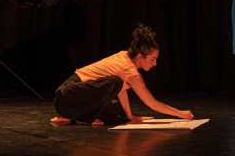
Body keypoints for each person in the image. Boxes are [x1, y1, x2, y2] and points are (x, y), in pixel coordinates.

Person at [50, 24, 194, 126]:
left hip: (68, 101)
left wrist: (129, 116)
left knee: (118, 114)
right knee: (115, 83)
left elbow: (121, 90)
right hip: (67, 95)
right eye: (152, 59)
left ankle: (72, 116)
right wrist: (180, 113)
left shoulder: (124, 56)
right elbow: (151, 103)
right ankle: (81, 117)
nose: (155, 63)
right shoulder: (129, 71)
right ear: (139, 56)